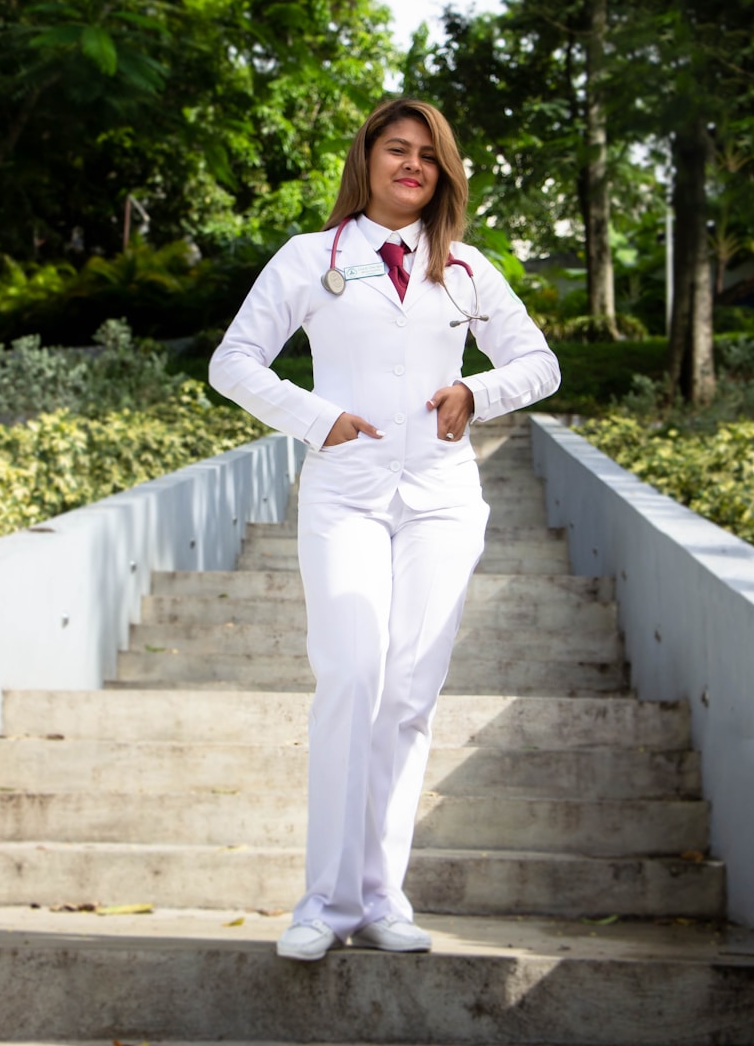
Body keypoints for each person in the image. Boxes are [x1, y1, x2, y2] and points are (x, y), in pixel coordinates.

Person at [209, 97, 561, 962]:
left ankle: (379, 898)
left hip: (441, 497)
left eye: (428, 156)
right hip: (348, 493)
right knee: (352, 673)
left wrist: (478, 392)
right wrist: (315, 416)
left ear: (443, 174)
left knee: (408, 693)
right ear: (365, 159)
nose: (412, 165)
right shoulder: (310, 258)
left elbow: (540, 363)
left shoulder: (468, 269)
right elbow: (234, 362)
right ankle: (321, 904)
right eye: (396, 149)